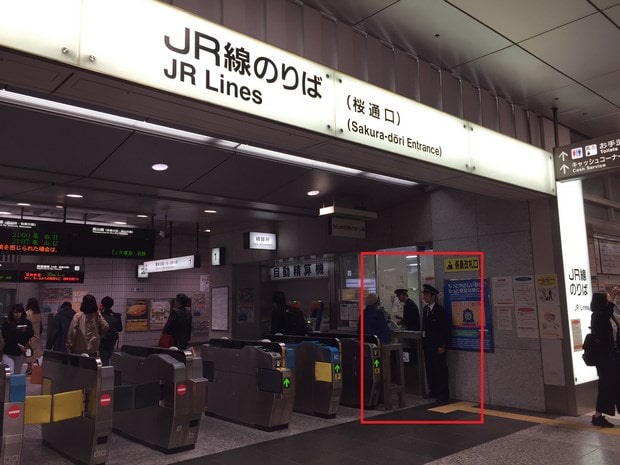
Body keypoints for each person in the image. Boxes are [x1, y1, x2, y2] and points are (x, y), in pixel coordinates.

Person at [589, 289, 620, 428]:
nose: (609, 300)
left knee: (616, 384)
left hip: (613, 355)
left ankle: (598, 415)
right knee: (606, 385)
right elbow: (605, 315)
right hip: (604, 358)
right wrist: (613, 298)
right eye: (607, 298)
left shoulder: (610, 315)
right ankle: (597, 416)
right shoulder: (597, 316)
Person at [421, 284, 450, 402]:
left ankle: (442, 394)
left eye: (427, 295)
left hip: (437, 346)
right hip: (428, 345)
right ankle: (433, 390)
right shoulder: (425, 310)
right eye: (424, 295)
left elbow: (444, 330)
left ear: (433, 297)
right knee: (430, 369)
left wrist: (443, 345)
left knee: (440, 370)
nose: (424, 297)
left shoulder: (440, 311)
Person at [1, 304, 34, 374]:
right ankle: (7, 385)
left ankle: (14, 385)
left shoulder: (26, 323)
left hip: (19, 353)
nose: (17, 314)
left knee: (17, 373)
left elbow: (30, 334)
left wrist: (23, 333)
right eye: (15, 312)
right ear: (12, 312)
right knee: (9, 373)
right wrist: (18, 344)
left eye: (19, 312)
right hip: (9, 352)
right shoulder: (7, 323)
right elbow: (7, 337)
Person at [99, 296, 123, 366]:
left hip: (102, 340)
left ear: (102, 304)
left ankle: (105, 370)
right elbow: (120, 329)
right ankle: (107, 368)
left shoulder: (101, 316)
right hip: (113, 339)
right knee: (108, 355)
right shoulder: (116, 316)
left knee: (104, 356)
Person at [24, 297, 43, 375]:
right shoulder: (38, 314)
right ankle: (37, 369)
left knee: (28, 352)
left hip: (29, 336)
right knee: (36, 353)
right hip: (37, 335)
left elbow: (26, 326)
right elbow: (41, 326)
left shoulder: (28, 313)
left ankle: (29, 368)